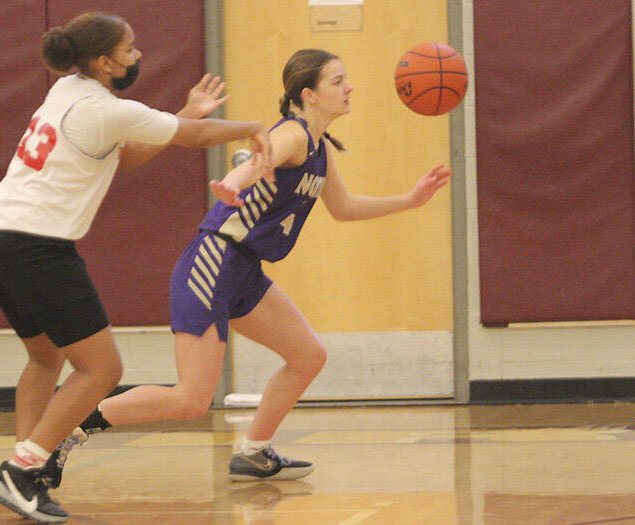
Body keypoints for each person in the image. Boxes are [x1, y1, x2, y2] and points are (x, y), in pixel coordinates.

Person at [51, 48, 451, 483]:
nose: (348, 87)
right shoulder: (293, 135)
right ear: (308, 94)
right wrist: (232, 183)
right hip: (214, 261)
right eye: (337, 81)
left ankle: (255, 451)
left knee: (307, 356)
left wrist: (411, 200)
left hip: (243, 270)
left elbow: (345, 208)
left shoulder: (319, 148)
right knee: (190, 400)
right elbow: (261, 158)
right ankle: (69, 427)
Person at [0, 11, 271, 524]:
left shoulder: (67, 89)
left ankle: (31, 468)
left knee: (45, 359)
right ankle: (20, 471)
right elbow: (193, 137)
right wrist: (251, 127)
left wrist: (185, 112)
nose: (138, 56)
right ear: (105, 62)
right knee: (103, 369)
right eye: (130, 50)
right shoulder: (104, 106)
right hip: (38, 245)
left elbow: (125, 155)